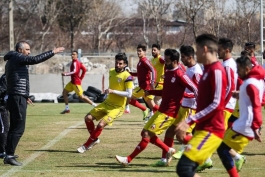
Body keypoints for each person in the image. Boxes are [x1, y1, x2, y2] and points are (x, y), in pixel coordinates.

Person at [115, 49, 198, 166]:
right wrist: (151, 92)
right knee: (144, 132)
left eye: (167, 61)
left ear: (174, 61)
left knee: (148, 135)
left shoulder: (180, 74)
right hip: (162, 110)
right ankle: (168, 151)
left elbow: (196, 89)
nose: (165, 62)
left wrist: (196, 103)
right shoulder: (168, 72)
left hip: (169, 113)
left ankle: (128, 159)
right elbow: (165, 91)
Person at [3, 41, 64, 166]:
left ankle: (8, 153)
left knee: (14, 127)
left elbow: (18, 80)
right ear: (20, 50)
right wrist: (52, 52)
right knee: (18, 128)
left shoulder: (13, 59)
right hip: (16, 97)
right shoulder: (17, 57)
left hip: (17, 96)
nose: (29, 52)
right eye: (27, 49)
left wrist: (25, 95)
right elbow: (35, 59)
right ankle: (9, 155)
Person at [175, 34, 227, 177]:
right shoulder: (207, 70)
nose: (195, 53)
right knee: (184, 169)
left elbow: (216, 104)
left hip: (212, 129)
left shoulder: (216, 70)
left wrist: (190, 119)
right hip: (202, 129)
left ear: (204, 49)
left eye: (196, 49)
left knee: (185, 168)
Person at [77, 53, 134, 153]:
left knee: (100, 125)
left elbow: (129, 94)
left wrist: (113, 91)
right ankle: (94, 139)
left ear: (124, 64)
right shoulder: (111, 71)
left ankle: (86, 145)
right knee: (88, 118)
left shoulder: (128, 77)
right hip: (107, 103)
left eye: (120, 64)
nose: (117, 65)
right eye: (116, 63)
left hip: (117, 107)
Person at [217, 56, 264, 177]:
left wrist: (256, 126)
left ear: (247, 68)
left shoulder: (250, 83)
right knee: (221, 146)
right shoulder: (256, 79)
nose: (237, 72)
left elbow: (256, 105)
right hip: (243, 123)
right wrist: (240, 94)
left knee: (222, 149)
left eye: (239, 69)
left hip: (246, 125)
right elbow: (258, 98)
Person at [171, 45, 203, 160]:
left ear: (190, 57)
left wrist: (183, 94)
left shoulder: (197, 71)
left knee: (181, 134)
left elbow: (199, 92)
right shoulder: (188, 68)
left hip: (191, 107)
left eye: (183, 57)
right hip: (183, 105)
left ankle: (189, 150)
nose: (181, 59)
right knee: (175, 131)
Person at [129, 44, 158, 120]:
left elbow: (153, 70)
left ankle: (165, 115)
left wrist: (152, 82)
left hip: (145, 87)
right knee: (153, 107)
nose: (138, 52)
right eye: (137, 51)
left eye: (140, 51)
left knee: (129, 98)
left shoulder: (145, 61)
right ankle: (147, 110)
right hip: (142, 87)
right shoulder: (140, 61)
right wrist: (131, 73)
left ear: (144, 52)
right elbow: (140, 74)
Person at [0, 74, 8, 159]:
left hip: (4, 107)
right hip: (1, 107)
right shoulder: (6, 77)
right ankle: (2, 151)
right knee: (3, 128)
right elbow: (2, 90)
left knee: (5, 128)